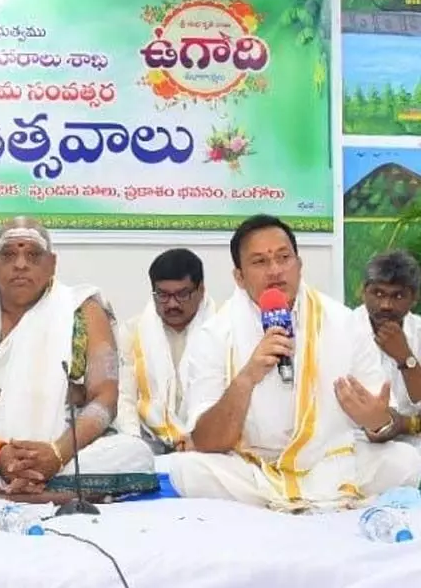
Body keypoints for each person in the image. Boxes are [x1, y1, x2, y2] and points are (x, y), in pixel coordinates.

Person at [163, 215, 421, 510]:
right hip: (253, 467)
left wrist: (377, 421)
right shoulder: (215, 334)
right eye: (260, 262)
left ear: (299, 264)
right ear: (239, 276)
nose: (275, 270)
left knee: (406, 461)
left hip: (330, 461)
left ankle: (299, 500)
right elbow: (207, 441)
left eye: (283, 258)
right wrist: (246, 378)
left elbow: (383, 422)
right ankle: (314, 501)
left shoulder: (345, 322)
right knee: (188, 471)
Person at [0, 217, 156, 502]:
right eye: (9, 254)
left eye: (33, 254)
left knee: (135, 455)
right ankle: (51, 494)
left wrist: (57, 455)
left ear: (52, 264)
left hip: (61, 440)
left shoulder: (84, 313)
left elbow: (105, 399)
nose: (20, 264)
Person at [116, 248, 214, 454]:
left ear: (201, 290)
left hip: (208, 444)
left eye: (182, 294)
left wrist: (201, 440)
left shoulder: (222, 330)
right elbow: (124, 397)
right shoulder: (132, 332)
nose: (171, 304)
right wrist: (132, 446)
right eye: (162, 295)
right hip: (149, 442)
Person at [349, 250, 421, 447]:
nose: (386, 305)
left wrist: (405, 357)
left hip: (414, 441)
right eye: (378, 293)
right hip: (357, 442)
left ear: (414, 298)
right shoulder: (342, 329)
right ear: (363, 292)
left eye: (398, 296)